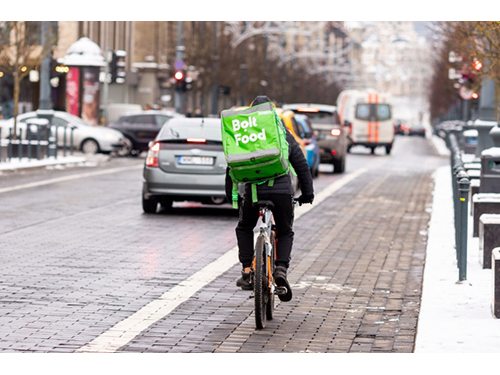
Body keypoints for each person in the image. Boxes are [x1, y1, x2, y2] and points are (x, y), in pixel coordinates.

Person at [225, 95, 314, 302]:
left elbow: (231, 165)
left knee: (245, 227)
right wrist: (307, 194)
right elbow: (301, 165)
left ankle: (247, 270)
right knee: (284, 231)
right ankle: (281, 268)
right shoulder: (282, 132)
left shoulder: (244, 134)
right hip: (281, 191)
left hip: (252, 191)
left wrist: (231, 194)